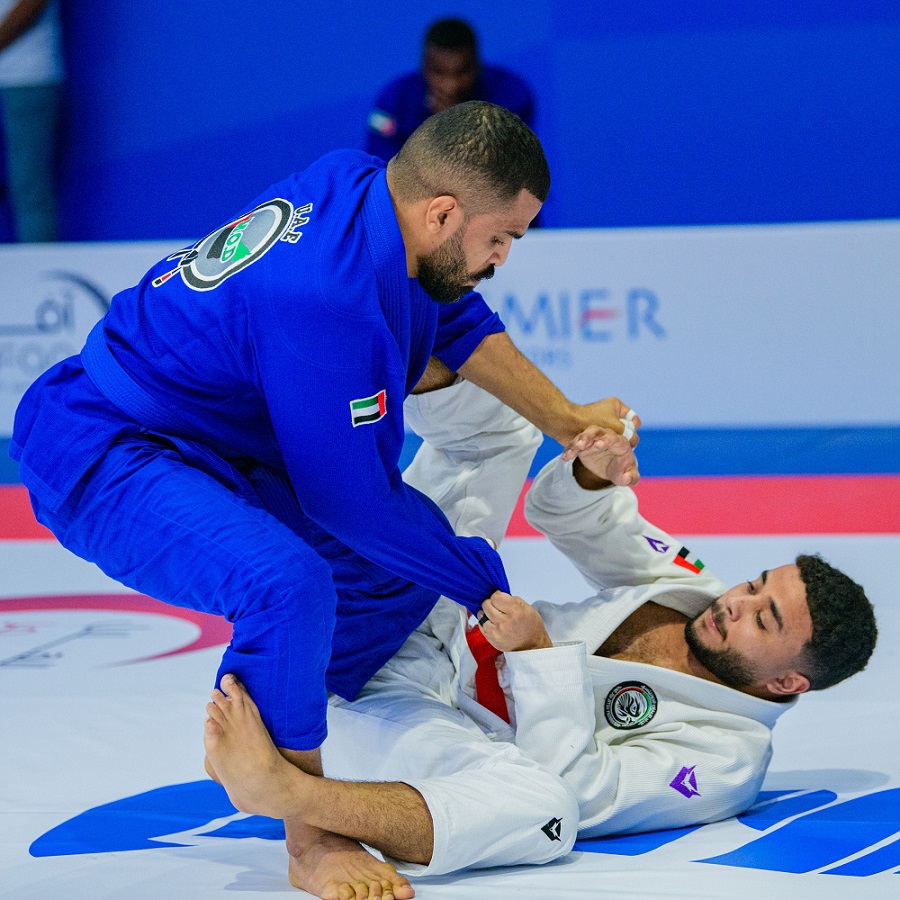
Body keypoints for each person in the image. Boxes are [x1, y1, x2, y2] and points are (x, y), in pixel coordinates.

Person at [10, 101, 636, 899]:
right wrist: (484, 585)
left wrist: (566, 419)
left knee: (402, 577)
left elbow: (456, 317)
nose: (503, 258)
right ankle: (312, 834)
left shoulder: (362, 185)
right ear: (444, 212)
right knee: (289, 584)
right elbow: (354, 507)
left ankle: (310, 714)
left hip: (211, 440)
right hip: (102, 442)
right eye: (500, 238)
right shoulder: (326, 299)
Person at [203, 379, 877, 892]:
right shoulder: (692, 584)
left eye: (764, 618)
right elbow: (577, 520)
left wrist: (534, 658)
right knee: (502, 426)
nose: (737, 602)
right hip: (427, 605)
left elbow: (580, 788)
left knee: (546, 813)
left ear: (787, 681)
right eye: (757, 584)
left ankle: (295, 802)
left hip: (411, 709)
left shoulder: (727, 759)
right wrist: (593, 472)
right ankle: (351, 347)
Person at [365, 18, 535, 164]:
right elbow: (382, 169)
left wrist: (455, 123)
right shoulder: (393, 100)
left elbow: (504, 170)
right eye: (439, 72)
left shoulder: (513, 95)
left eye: (462, 72)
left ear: (477, 66)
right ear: (424, 67)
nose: (451, 85)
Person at [0, 0, 63, 242]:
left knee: (30, 189)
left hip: (27, 76)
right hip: (26, 77)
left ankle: (39, 273)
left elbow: (31, 5)